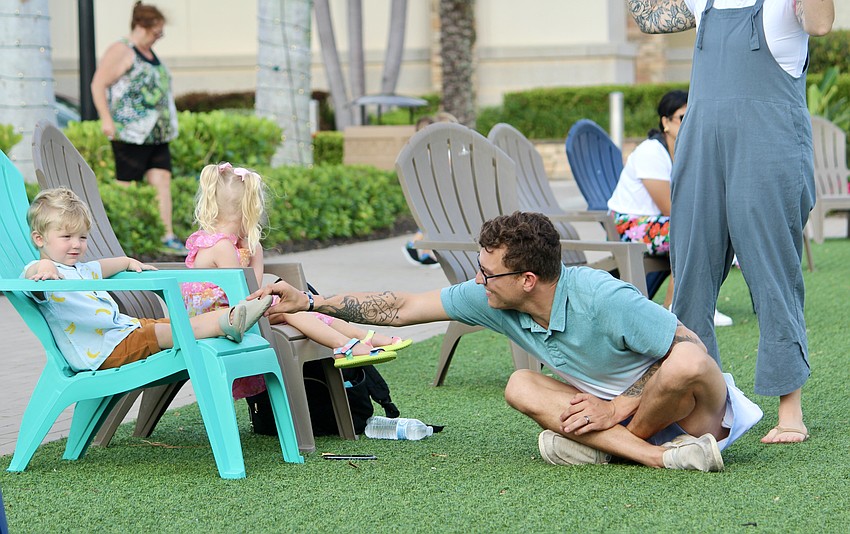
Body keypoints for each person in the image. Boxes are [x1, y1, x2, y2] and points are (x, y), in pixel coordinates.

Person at [252, 211, 763, 472]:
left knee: (686, 362)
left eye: (487, 272)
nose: (477, 280)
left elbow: (690, 348)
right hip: (617, 417)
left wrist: (618, 409)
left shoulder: (600, 295)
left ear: (527, 279)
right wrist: (310, 303)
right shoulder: (491, 295)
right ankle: (660, 458)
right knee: (522, 384)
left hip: (690, 415)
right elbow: (402, 307)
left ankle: (611, 448)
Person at [628, 0, 835, 444]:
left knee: (772, 273)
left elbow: (820, 24)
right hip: (701, 151)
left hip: (770, 147)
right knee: (691, 280)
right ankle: (698, 406)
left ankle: (790, 412)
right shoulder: (704, 3)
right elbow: (647, 17)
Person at [182, 162, 412, 386]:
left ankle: (362, 338)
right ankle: (344, 345)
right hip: (220, 321)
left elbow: (253, 288)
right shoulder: (220, 246)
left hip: (237, 312)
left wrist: (255, 251)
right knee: (287, 307)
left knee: (293, 306)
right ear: (251, 211)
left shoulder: (237, 245)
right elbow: (246, 293)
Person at [21, 188, 272, 373]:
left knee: (178, 322)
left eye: (82, 237)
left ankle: (233, 318)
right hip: (102, 351)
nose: (76, 244)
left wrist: (128, 261)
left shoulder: (82, 269)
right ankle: (231, 322)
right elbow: (33, 275)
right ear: (39, 239)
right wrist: (44, 266)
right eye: (67, 236)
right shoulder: (43, 272)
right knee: (173, 331)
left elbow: (109, 264)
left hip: (123, 332)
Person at [607, 89, 733, 326]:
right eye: (683, 118)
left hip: (661, 224)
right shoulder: (651, 152)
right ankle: (676, 305)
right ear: (665, 122)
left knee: (707, 228)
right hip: (629, 225)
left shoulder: (689, 152)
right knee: (693, 230)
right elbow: (670, 209)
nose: (690, 124)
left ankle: (698, 304)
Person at [90, 2, 185, 254]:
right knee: (126, 184)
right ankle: (119, 238)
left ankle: (166, 236)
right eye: (157, 32)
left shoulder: (150, 54)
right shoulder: (122, 50)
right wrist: (106, 119)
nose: (159, 37)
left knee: (161, 179)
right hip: (131, 133)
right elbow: (98, 84)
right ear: (142, 26)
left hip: (157, 133)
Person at [403, 112, 460, 268]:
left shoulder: (425, 149)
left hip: (436, 191)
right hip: (434, 192)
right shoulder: (431, 150)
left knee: (434, 222)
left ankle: (424, 249)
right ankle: (417, 245)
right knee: (434, 222)